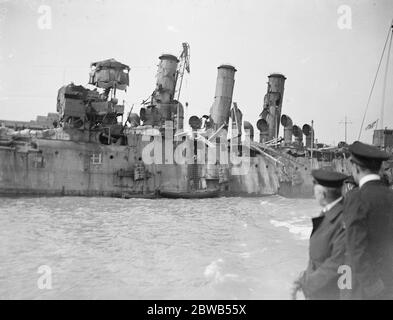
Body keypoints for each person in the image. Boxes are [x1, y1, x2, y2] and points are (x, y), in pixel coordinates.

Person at [341, 141, 393, 300]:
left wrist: (373, 287)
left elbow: (355, 248)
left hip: (365, 288)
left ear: (356, 168)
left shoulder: (355, 198)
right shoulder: (390, 196)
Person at [292, 169, 348, 300]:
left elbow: (337, 262)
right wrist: (304, 277)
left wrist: (307, 283)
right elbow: (320, 256)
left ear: (322, 193)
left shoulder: (344, 218)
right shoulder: (328, 213)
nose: (314, 194)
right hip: (320, 290)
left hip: (332, 293)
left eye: (315, 189)